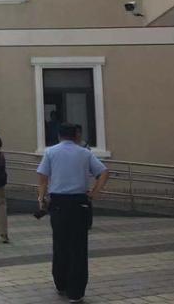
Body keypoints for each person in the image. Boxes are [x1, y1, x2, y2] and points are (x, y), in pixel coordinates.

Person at [37, 122, 110, 304]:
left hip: (58, 204)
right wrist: (94, 193)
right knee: (78, 247)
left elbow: (43, 178)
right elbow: (104, 172)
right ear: (76, 135)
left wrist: (41, 198)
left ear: (59, 135)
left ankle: (61, 283)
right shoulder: (85, 153)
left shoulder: (50, 152)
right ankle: (75, 292)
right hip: (79, 203)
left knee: (60, 244)